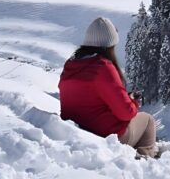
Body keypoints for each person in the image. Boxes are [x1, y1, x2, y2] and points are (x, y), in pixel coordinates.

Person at [59, 16, 159, 158]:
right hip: (106, 135)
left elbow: (89, 98)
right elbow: (126, 113)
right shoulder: (103, 68)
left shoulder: (71, 64)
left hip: (77, 131)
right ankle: (145, 160)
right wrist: (134, 102)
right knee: (148, 120)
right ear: (109, 45)